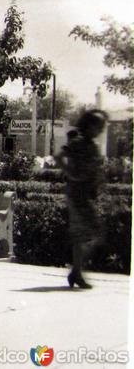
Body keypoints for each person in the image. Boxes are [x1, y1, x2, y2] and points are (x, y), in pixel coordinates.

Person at [57, 110, 107, 289]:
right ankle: (76, 273)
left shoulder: (92, 145)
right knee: (89, 233)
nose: (100, 130)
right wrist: (70, 173)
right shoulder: (78, 142)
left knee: (88, 234)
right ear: (89, 125)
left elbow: (96, 168)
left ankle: (76, 272)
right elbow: (58, 156)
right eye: (98, 126)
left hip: (86, 193)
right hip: (76, 193)